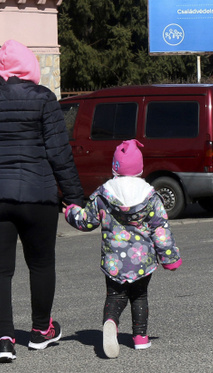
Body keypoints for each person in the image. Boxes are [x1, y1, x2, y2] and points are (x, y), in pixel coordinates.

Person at [0, 39, 85, 363]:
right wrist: (75, 197)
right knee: (41, 263)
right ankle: (41, 331)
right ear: (30, 68)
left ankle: (4, 338)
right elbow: (58, 152)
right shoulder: (44, 99)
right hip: (38, 195)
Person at [64, 139, 181, 358]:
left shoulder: (103, 195)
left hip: (114, 260)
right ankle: (140, 339)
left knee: (115, 296)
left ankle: (110, 322)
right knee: (139, 296)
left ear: (114, 168)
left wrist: (71, 211)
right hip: (142, 261)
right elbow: (160, 229)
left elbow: (86, 221)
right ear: (141, 168)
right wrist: (169, 258)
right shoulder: (150, 197)